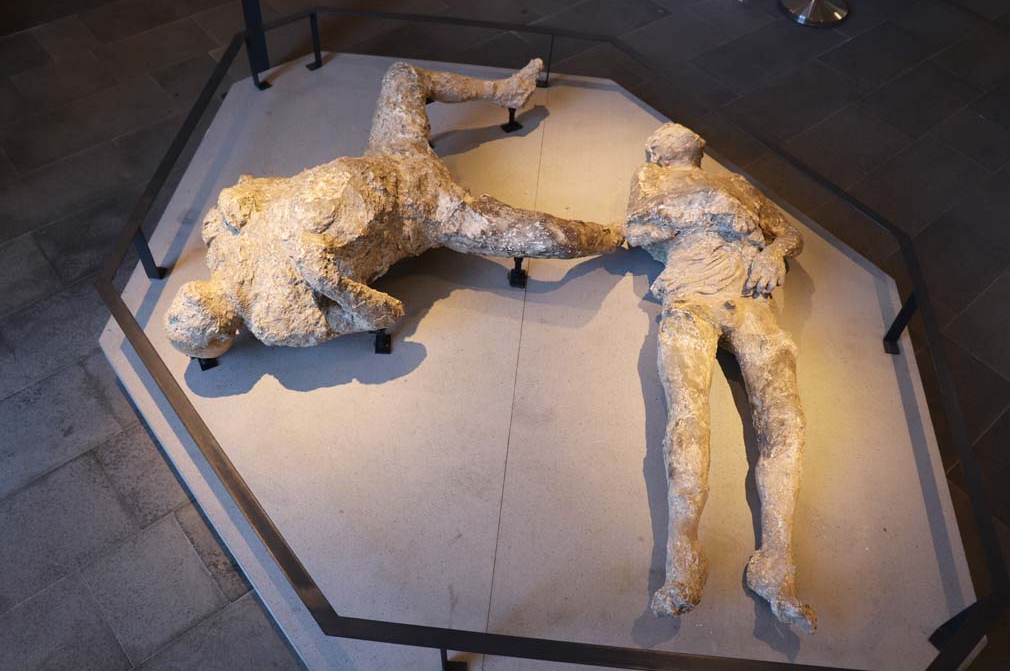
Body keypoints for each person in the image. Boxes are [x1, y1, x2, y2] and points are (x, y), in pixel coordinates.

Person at [165, 59, 623, 359]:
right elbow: (386, 316)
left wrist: (250, 193)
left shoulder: (222, 236)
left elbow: (272, 185)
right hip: (422, 213)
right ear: (218, 341)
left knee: (402, 76)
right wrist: (336, 284)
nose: (194, 298)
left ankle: (505, 90)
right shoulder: (278, 321)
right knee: (547, 238)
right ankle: (620, 234)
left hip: (390, 156)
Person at [625, 123, 816, 633]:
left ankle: (776, 560)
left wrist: (773, 253)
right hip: (690, 299)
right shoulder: (651, 178)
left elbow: (790, 233)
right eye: (663, 133)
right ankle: (683, 555)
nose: (673, 134)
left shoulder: (737, 182)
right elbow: (638, 229)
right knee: (688, 420)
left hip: (750, 304)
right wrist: (716, 212)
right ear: (656, 151)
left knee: (787, 423)